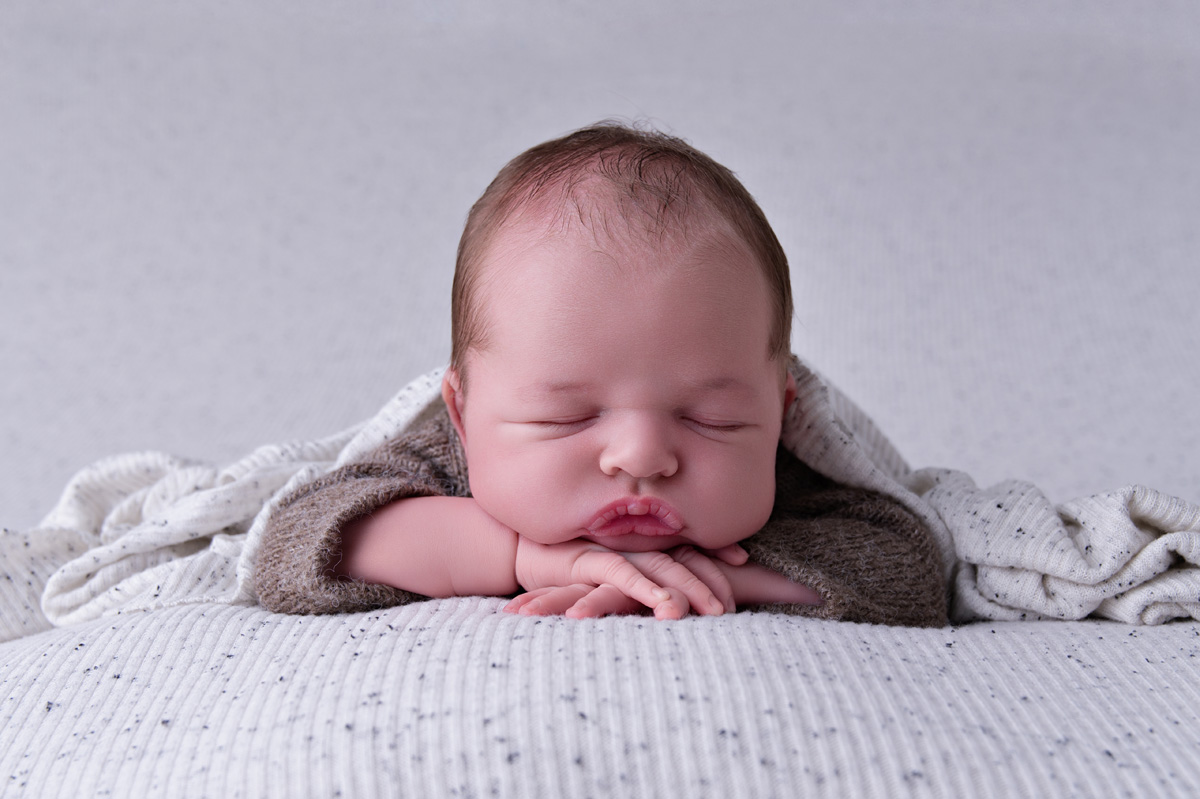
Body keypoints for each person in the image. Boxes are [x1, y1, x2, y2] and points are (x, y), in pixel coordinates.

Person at [254, 122, 947, 626]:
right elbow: (294, 545)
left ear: (777, 414)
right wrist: (522, 556)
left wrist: (724, 579)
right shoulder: (444, 459)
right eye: (567, 417)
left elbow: (913, 567)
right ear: (465, 418)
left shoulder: (785, 469)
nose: (643, 454)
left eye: (713, 418)